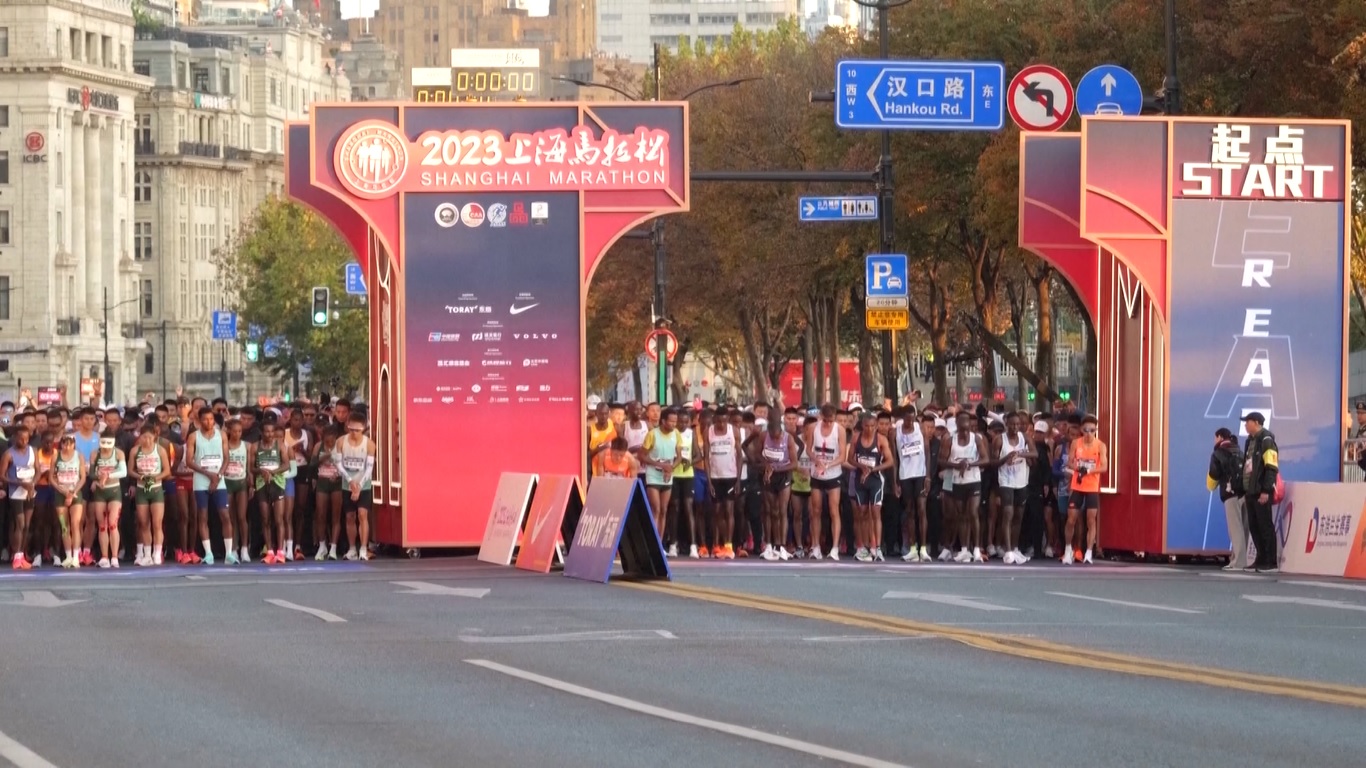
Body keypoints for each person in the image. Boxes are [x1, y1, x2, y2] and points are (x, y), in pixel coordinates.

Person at [186, 406, 236, 565]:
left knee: (225, 515)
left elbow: (227, 458)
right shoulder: (193, 437)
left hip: (219, 480)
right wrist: (208, 474)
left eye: (211, 419)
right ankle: (208, 553)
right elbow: (189, 461)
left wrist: (219, 475)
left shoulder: (221, 435)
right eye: (206, 419)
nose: (209, 422)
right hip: (201, 481)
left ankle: (229, 553)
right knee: (203, 516)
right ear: (199, 421)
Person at [844, 411, 893, 562]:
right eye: (867, 426)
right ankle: (862, 547)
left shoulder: (881, 440)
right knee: (861, 514)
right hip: (860, 480)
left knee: (876, 512)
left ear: (876, 426)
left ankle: (877, 547)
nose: (870, 429)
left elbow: (890, 461)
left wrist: (873, 469)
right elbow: (850, 459)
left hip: (875, 480)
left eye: (873, 426)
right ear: (862, 425)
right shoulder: (856, 438)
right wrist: (861, 466)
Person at [993, 412, 1036, 565]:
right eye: (1012, 424)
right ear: (1007, 425)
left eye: (1017, 424)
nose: (1015, 427)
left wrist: (1020, 453)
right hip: (1005, 481)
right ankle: (1008, 550)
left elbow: (1035, 453)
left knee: (1018, 515)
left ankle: (1016, 548)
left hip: (1021, 481)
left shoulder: (1025, 438)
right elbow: (993, 462)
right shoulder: (999, 440)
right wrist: (1007, 457)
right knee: (1008, 514)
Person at [804, 404, 846, 561]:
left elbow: (843, 456)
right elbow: (808, 449)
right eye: (826, 420)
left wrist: (828, 465)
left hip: (833, 473)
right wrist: (816, 460)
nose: (828, 423)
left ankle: (834, 548)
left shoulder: (839, 430)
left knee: (834, 510)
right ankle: (815, 547)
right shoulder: (813, 428)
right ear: (821, 416)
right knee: (815, 511)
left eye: (831, 420)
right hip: (817, 474)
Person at [1066, 415, 1109, 565]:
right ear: (1082, 430)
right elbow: (1070, 463)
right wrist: (1078, 468)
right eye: (1086, 430)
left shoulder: (1100, 445)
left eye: (1092, 430)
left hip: (1091, 486)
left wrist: (1089, 471)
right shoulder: (1075, 443)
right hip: (1077, 485)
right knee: (1071, 518)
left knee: (1091, 520)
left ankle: (1089, 551)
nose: (1089, 433)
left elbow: (1104, 467)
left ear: (1096, 430)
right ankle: (1067, 550)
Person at [1242, 412, 1280, 573]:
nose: (1245, 425)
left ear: (1256, 422)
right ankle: (1260, 558)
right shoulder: (1250, 441)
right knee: (1254, 526)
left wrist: (1265, 490)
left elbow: (1271, 466)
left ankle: (1270, 561)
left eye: (1247, 422)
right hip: (1250, 491)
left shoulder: (1266, 440)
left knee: (1265, 526)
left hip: (1261, 491)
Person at [128, 424, 171, 566]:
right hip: (141, 490)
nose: (146, 440)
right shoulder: (135, 451)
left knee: (157, 523)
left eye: (149, 437)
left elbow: (167, 471)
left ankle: (157, 553)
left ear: (155, 437)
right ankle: (147, 553)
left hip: (156, 489)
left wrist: (154, 478)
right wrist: (140, 477)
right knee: (143, 523)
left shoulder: (160, 450)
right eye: (144, 437)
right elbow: (130, 470)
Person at [337, 413, 376, 561]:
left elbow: (369, 468)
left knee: (362, 514)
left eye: (357, 430)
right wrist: (350, 481)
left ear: (364, 429)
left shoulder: (369, 444)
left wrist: (358, 485)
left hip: (363, 484)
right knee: (349, 516)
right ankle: (352, 548)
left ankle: (364, 548)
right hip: (347, 483)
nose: (354, 433)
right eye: (351, 429)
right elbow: (339, 465)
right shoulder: (341, 441)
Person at [1207, 427, 1247, 571]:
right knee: (1243, 528)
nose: (1214, 440)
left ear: (1219, 437)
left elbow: (1214, 475)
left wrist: (1211, 485)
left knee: (1235, 528)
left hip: (1230, 494)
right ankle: (1239, 559)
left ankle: (1238, 562)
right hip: (1245, 493)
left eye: (1215, 437)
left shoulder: (1218, 453)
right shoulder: (1239, 451)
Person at [759, 414, 798, 561]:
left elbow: (794, 464)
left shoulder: (788, 439)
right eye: (773, 437)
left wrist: (775, 468)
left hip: (783, 475)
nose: (775, 439)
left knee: (782, 511)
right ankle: (769, 544)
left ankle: (781, 546)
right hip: (769, 475)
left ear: (781, 431)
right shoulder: (764, 436)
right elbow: (758, 455)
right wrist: (767, 465)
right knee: (770, 511)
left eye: (777, 437)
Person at [87, 433, 128, 568]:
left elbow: (123, 472)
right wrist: (99, 478)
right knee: (102, 525)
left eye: (108, 445)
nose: (105, 448)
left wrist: (108, 475)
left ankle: (114, 556)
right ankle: (105, 556)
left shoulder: (118, 453)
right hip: (100, 491)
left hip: (114, 490)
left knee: (112, 523)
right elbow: (91, 473)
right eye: (103, 445)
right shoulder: (94, 454)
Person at [894, 411, 930, 562]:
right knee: (909, 511)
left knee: (921, 509)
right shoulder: (895, 432)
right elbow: (895, 459)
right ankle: (913, 548)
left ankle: (923, 549)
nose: (910, 421)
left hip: (920, 474)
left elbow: (927, 453)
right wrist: (895, 481)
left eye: (912, 418)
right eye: (907, 419)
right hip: (905, 475)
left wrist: (928, 476)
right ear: (902, 419)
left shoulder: (920, 428)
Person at [640, 408, 680, 542]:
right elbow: (642, 455)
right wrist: (660, 465)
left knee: (664, 510)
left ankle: (659, 541)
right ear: (663, 421)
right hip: (653, 474)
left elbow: (679, 457)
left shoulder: (676, 434)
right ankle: (651, 541)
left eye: (675, 422)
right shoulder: (653, 434)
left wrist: (670, 468)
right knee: (655, 508)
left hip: (667, 475)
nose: (674, 424)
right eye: (671, 421)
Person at [705, 408, 739, 559]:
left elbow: (740, 456)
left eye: (724, 421)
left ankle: (728, 545)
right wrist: (709, 481)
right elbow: (706, 458)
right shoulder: (709, 431)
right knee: (716, 512)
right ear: (714, 419)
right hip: (715, 476)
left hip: (730, 476)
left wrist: (738, 480)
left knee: (729, 510)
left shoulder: (734, 431)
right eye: (719, 421)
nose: (721, 424)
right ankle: (716, 545)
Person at [253, 420, 288, 565]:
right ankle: (269, 552)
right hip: (261, 484)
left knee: (279, 519)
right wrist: (261, 471)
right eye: (267, 431)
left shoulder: (279, 445)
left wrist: (273, 472)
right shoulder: (255, 447)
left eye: (272, 431)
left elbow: (286, 464)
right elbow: (251, 467)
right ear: (262, 432)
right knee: (265, 519)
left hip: (278, 482)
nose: (270, 434)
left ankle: (280, 551)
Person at [2, 427, 37, 569]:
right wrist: (20, 483)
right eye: (21, 439)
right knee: (20, 524)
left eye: (27, 439)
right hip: (16, 491)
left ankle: (22, 554)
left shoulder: (33, 451)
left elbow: (38, 471)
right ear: (15, 438)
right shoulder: (8, 454)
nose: (24, 441)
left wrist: (32, 484)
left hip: (30, 490)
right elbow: (2, 476)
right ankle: (16, 555)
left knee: (27, 525)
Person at [52, 434, 87, 569]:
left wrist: (72, 493)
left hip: (75, 493)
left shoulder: (79, 456)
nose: (67, 447)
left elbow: (83, 477)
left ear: (74, 444)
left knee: (75, 524)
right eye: (64, 444)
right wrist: (63, 491)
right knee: (64, 525)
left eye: (70, 444)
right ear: (61, 444)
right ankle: (68, 556)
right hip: (61, 493)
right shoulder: (56, 456)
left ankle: (76, 556)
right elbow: (52, 478)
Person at [222, 418, 252, 564]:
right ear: (228, 431)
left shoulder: (246, 446)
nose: (237, 434)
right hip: (227, 482)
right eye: (234, 431)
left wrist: (251, 484)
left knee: (242, 517)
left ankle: (245, 549)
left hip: (241, 483)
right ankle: (233, 548)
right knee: (230, 518)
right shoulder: (224, 445)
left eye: (240, 431)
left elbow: (249, 467)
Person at [313, 425, 343, 561]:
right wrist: (323, 457)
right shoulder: (318, 446)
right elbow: (312, 464)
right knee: (321, 515)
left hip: (336, 482)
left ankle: (334, 547)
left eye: (332, 441)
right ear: (323, 438)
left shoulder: (341, 446)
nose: (330, 444)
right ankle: (322, 545)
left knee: (336, 516)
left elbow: (347, 465)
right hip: (322, 482)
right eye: (327, 441)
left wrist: (338, 475)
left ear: (336, 438)